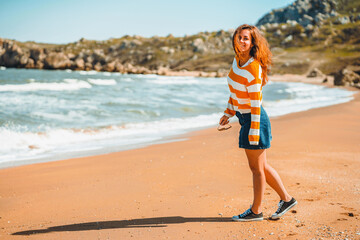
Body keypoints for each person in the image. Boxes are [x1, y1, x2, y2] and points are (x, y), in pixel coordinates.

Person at [219, 24, 297, 222]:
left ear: (252, 42)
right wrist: (229, 112)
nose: (241, 41)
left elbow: (255, 102)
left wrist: (253, 129)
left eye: (246, 38)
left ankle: (256, 211)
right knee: (261, 166)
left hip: (255, 119)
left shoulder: (253, 66)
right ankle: (287, 200)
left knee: (256, 169)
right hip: (245, 117)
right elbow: (235, 92)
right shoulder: (237, 61)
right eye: (239, 37)